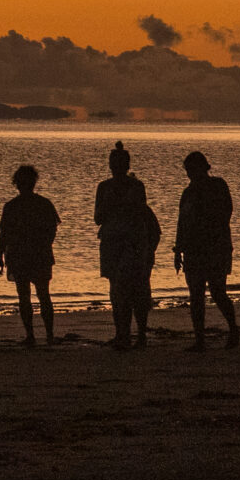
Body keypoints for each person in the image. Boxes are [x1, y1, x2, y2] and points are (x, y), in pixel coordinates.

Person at [93, 141, 162, 349]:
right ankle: (122, 333)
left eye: (118, 163)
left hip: (132, 243)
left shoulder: (135, 187)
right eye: (113, 163)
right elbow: (98, 217)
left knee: (136, 289)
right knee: (117, 289)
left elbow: (140, 213)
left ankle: (138, 334)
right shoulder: (104, 187)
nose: (115, 167)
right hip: (113, 243)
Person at [173, 149, 239, 350]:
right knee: (196, 295)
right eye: (188, 171)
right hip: (194, 250)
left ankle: (233, 330)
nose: (189, 175)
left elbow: (226, 213)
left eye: (191, 170)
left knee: (218, 292)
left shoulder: (218, 186)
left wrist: (207, 231)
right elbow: (181, 223)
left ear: (202, 169)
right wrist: (178, 251)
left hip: (215, 248)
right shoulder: (188, 193)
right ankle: (199, 339)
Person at [0, 165, 62, 346]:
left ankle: (31, 335)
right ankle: (49, 335)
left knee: (24, 296)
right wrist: (44, 245)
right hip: (38, 255)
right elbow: (52, 230)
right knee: (43, 295)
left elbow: (4, 234)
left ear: (17, 184)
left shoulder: (11, 206)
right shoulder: (44, 204)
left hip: (19, 255)